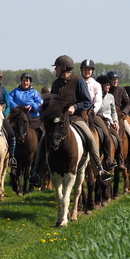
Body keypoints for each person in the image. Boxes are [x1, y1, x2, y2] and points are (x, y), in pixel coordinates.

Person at [29, 55, 112, 186]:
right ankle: (37, 173)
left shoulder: (79, 82)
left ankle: (99, 170)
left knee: (90, 138)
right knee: (43, 139)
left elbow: (86, 102)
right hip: (59, 120)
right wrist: (41, 119)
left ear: (63, 68)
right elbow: (52, 105)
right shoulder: (56, 84)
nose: (55, 69)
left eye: (56, 67)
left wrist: (75, 107)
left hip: (76, 118)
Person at [80, 59, 116, 169]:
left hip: (92, 114)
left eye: (89, 70)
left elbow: (98, 101)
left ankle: (109, 159)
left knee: (105, 133)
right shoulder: (77, 82)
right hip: (78, 113)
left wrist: (92, 112)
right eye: (85, 69)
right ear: (82, 70)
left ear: (92, 71)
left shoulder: (96, 85)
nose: (87, 72)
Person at [107, 71, 130, 170]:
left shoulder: (122, 90)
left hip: (120, 118)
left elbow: (128, 104)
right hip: (108, 117)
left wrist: (123, 113)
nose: (115, 81)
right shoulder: (106, 90)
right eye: (113, 80)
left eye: (116, 79)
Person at [96, 74, 126, 171]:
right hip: (96, 119)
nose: (109, 86)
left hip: (108, 121)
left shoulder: (110, 97)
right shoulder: (96, 96)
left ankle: (118, 161)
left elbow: (113, 111)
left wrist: (116, 122)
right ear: (101, 86)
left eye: (109, 85)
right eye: (107, 85)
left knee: (118, 139)